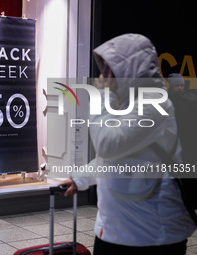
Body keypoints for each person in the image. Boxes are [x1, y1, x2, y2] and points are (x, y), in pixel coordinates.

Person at [60, 34, 195, 255]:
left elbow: (107, 144)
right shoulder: (123, 103)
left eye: (108, 70)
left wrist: (101, 95)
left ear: (130, 69)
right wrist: (81, 178)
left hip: (152, 236)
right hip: (115, 231)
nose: (102, 76)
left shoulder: (155, 103)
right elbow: (112, 159)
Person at [167, 73, 197, 165]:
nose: (180, 88)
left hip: (189, 131)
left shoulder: (191, 98)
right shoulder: (169, 98)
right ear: (171, 86)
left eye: (181, 85)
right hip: (177, 131)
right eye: (177, 86)